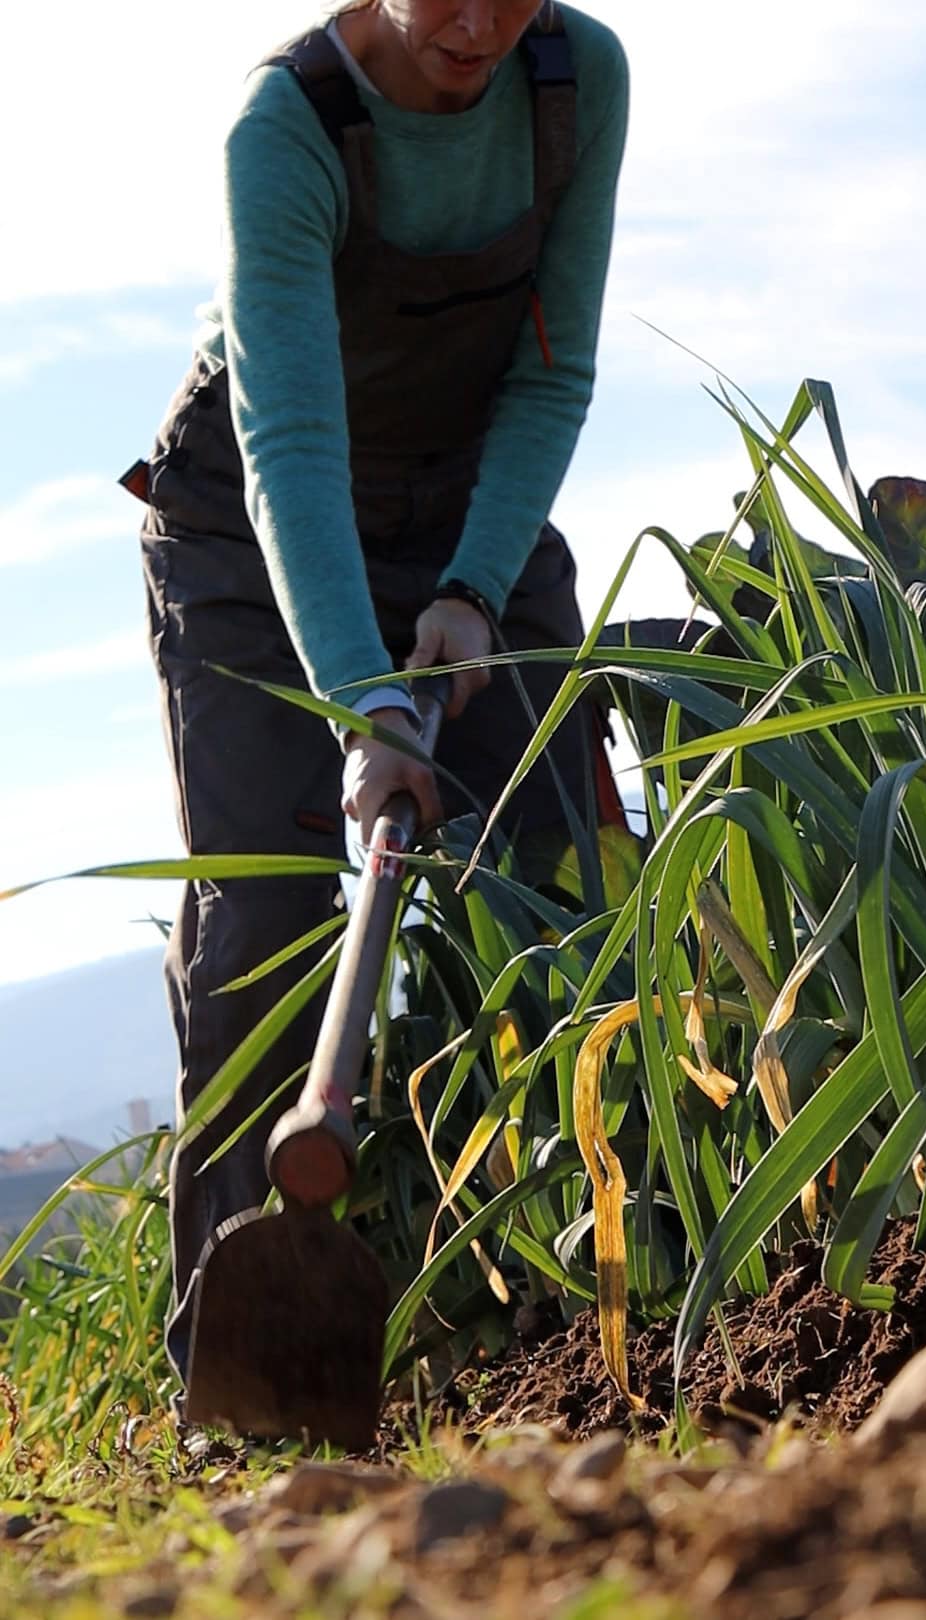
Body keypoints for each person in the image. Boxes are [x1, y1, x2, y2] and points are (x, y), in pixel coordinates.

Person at [123, 0, 629, 1392]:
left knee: (553, 888)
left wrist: (473, 584)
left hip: (473, 491)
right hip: (248, 523)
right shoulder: (283, 126)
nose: (476, 24)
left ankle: (551, 1310)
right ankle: (235, 1363)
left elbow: (555, 370)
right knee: (265, 918)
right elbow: (288, 440)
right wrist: (369, 707)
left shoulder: (574, 80)